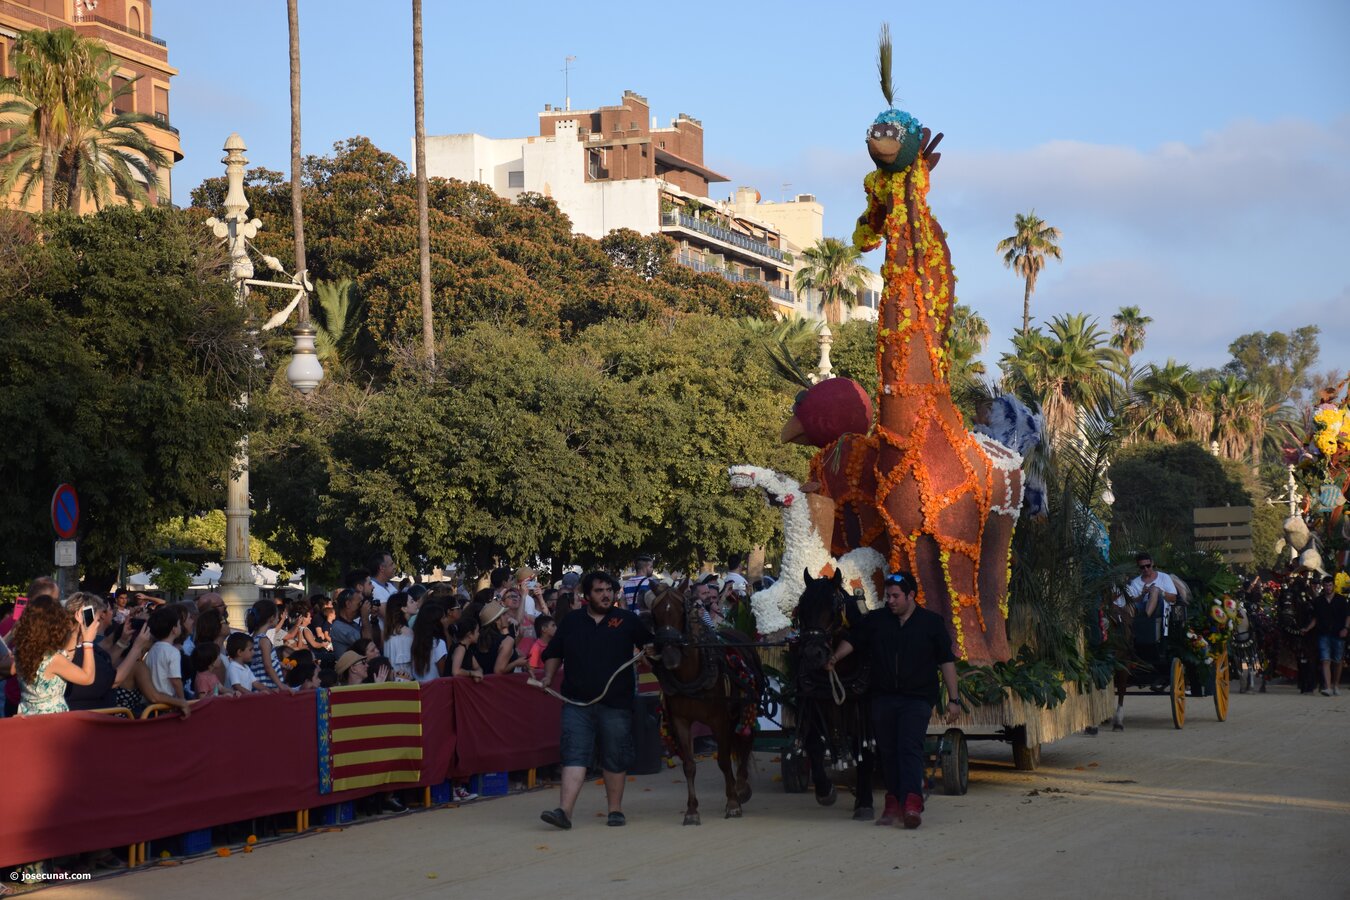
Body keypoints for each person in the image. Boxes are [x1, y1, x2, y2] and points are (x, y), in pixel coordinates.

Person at [827, 571, 961, 829]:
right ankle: (893, 803)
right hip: (883, 697)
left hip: (918, 698)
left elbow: (946, 660)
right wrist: (834, 658)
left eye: (895, 596)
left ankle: (912, 803)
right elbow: (853, 641)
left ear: (911, 596)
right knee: (887, 752)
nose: (890, 601)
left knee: (908, 747)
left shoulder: (931, 623)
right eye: (887, 596)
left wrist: (954, 699)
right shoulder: (876, 620)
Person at [538, 571, 655, 830]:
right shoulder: (571, 622)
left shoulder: (627, 620)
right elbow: (554, 653)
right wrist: (547, 677)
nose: (605, 595)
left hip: (616, 703)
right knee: (574, 754)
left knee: (615, 755)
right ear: (586, 595)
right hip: (576, 702)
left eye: (609, 590)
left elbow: (650, 649)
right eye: (599, 590)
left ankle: (615, 810)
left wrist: (649, 654)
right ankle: (564, 812)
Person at [10, 595, 99, 715]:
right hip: (51, 722)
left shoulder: (21, 650)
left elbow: (12, 670)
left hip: (27, 715)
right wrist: (88, 642)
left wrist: (77, 630)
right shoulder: (53, 660)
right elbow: (88, 678)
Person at [1313, 575, 1349, 696]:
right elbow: (1315, 618)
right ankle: (1328, 687)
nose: (1328, 587)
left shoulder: (1341, 600)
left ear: (1333, 585)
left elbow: (1348, 616)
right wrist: (1306, 628)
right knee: (1325, 659)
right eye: (1326, 585)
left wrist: (1346, 628)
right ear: (1323, 586)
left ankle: (1336, 685)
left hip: (1338, 633)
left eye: (1330, 585)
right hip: (1323, 633)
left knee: (1338, 660)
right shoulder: (1318, 601)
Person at [409, 603, 449, 684]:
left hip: (419, 688)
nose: (446, 620)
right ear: (437, 622)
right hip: (435, 689)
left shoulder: (414, 641)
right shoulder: (439, 644)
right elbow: (443, 673)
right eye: (444, 618)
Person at [329, 588, 371, 659]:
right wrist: (365, 618)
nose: (361, 606)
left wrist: (374, 619)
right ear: (348, 604)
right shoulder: (338, 627)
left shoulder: (353, 624)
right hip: (350, 669)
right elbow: (367, 646)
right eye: (359, 603)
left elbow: (374, 640)